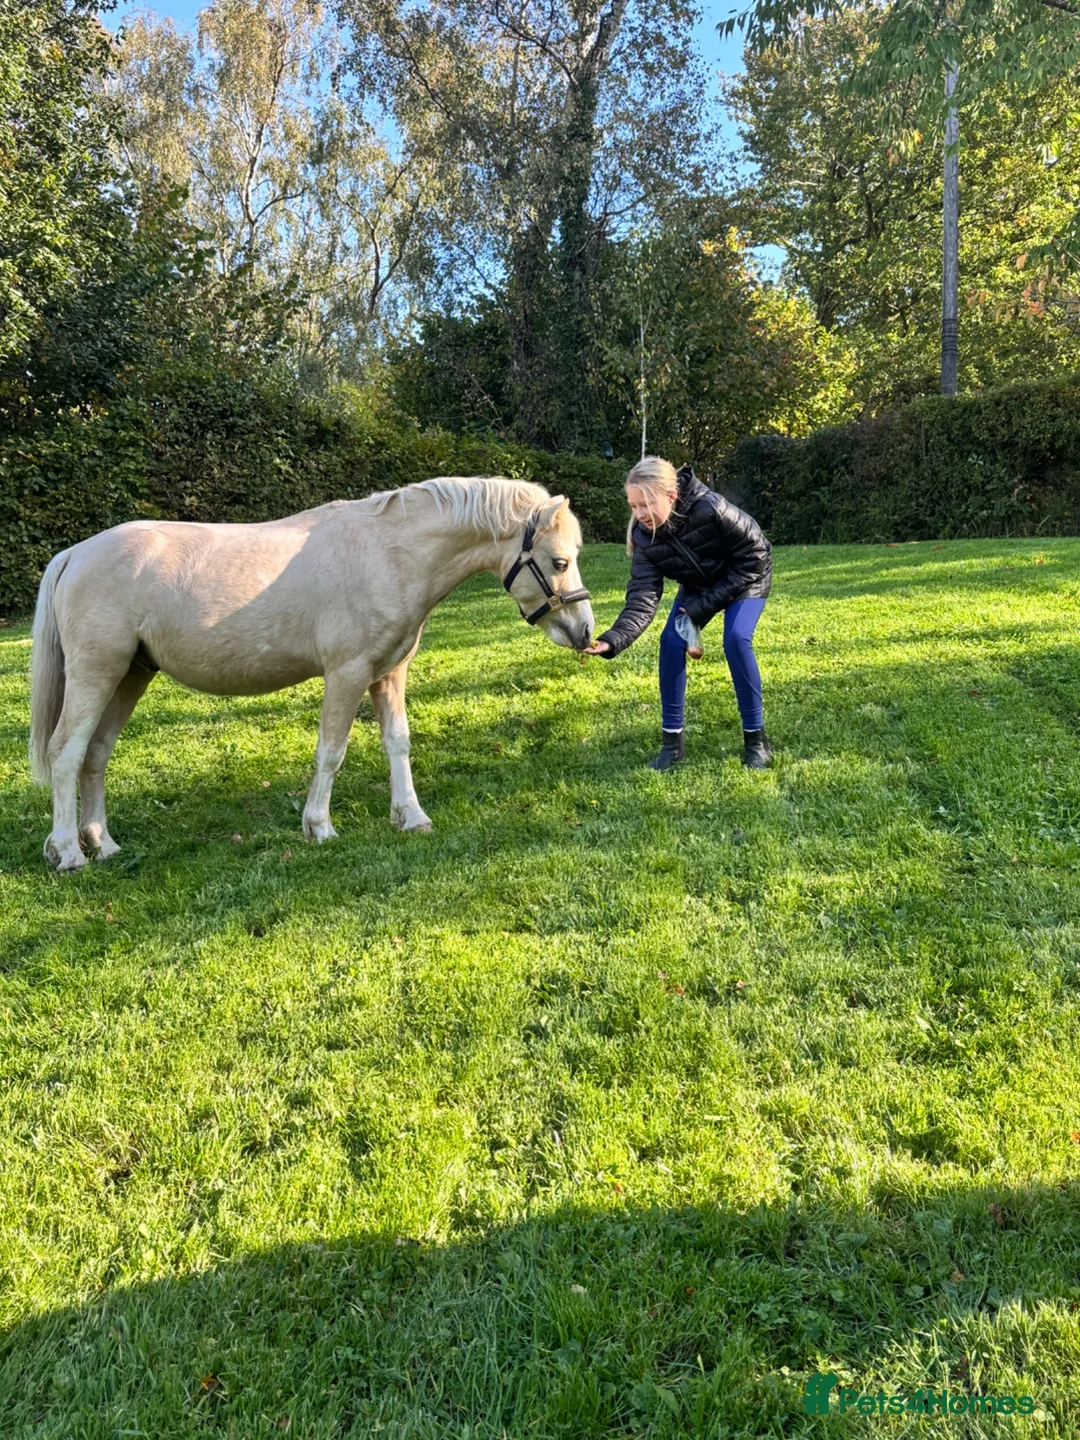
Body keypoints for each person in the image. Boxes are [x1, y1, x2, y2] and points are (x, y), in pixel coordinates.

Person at [583, 456, 772, 770]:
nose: (639, 514)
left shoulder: (711, 508)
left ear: (671, 496)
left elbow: (756, 556)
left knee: (737, 639)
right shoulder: (644, 539)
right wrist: (613, 639)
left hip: (746, 578)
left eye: (645, 504)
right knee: (671, 642)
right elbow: (642, 596)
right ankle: (672, 746)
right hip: (698, 586)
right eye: (633, 506)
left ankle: (757, 740)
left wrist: (700, 608)